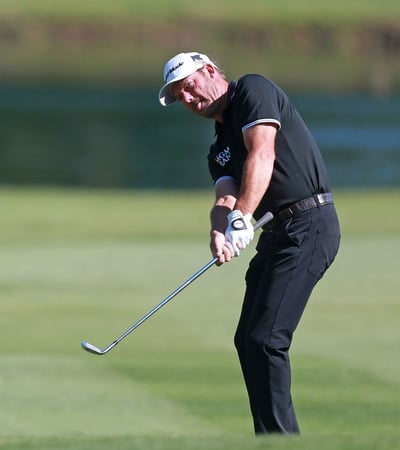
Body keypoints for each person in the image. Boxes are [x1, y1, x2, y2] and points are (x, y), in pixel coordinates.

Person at [158, 52, 340, 434]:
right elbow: (224, 197)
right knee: (248, 340)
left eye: (189, 87)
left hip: (310, 224)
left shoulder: (253, 90)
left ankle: (281, 440)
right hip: (277, 236)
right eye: (180, 97)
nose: (189, 99)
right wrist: (220, 229)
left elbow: (263, 152)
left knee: (266, 339)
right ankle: (269, 438)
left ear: (210, 71)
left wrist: (242, 216)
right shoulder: (218, 148)